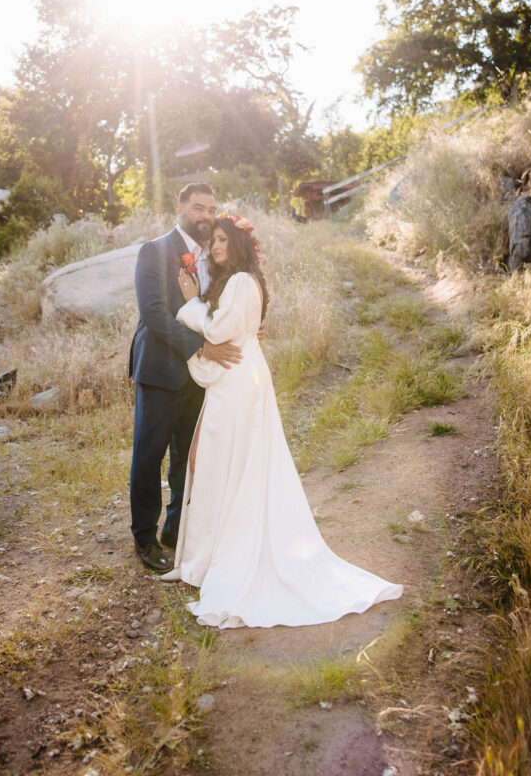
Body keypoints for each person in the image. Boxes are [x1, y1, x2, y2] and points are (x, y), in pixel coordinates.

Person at [161, 214, 403, 628]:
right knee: (224, 463)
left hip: (237, 383)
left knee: (219, 464)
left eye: (222, 240)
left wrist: (191, 303)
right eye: (212, 241)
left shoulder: (239, 283)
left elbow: (218, 331)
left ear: (238, 245)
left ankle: (215, 560)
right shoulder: (245, 282)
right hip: (244, 376)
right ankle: (206, 557)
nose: (215, 246)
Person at [128, 183, 243, 572]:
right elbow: (154, 314)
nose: (206, 216)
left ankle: (176, 529)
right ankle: (144, 537)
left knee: (187, 458)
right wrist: (202, 348)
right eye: (198, 208)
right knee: (149, 455)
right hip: (160, 371)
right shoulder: (154, 251)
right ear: (180, 209)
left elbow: (221, 308)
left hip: (199, 377)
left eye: (211, 209)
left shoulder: (214, 256)